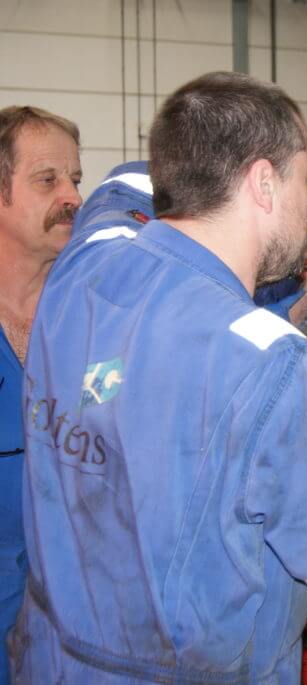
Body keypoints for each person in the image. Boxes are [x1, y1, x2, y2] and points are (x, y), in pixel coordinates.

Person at [12, 72, 307, 683]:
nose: (306, 198)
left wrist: (293, 209)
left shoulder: (85, 260)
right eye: (304, 181)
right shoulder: (269, 361)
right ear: (264, 182)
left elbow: (124, 184)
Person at [0, 105, 83, 685]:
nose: (73, 195)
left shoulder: (88, 310)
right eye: (49, 179)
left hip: (75, 625)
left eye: (76, 178)